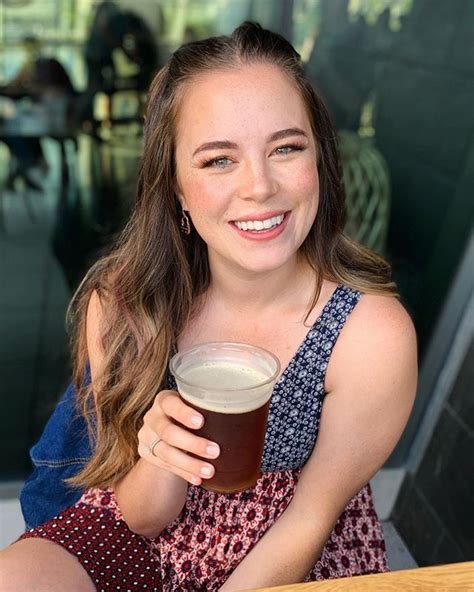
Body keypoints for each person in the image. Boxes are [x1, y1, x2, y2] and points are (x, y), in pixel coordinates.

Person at [0, 22, 417, 591]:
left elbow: (308, 521)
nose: (260, 186)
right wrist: (162, 456)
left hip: (286, 556)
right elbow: (141, 517)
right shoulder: (126, 307)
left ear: (319, 159)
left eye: (287, 147)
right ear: (175, 188)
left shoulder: (369, 335)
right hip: (148, 535)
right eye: (219, 160)